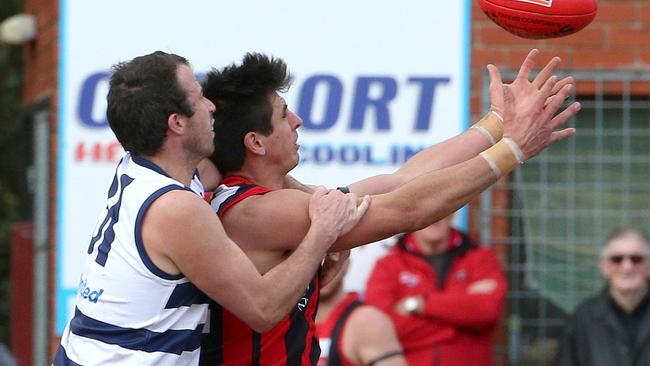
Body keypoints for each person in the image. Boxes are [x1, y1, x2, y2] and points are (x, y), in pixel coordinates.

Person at [198, 49, 580, 364]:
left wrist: (497, 123)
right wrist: (513, 150)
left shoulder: (270, 202)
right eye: (283, 114)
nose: (297, 120)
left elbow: (402, 181)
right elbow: (407, 210)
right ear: (256, 143)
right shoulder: (259, 212)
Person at [52, 51, 370, 366]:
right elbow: (263, 310)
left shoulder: (145, 167)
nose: (211, 106)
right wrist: (321, 235)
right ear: (177, 123)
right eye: (201, 97)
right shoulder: (175, 208)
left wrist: (309, 195)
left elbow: (243, 171)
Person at [364, 214, 507, 366]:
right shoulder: (387, 266)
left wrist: (419, 304)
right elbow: (382, 330)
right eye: (428, 209)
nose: (434, 216)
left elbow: (487, 311)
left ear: (452, 212)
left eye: (442, 208)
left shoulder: (480, 258)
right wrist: (459, 321)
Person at [555, 228, 650, 366]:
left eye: (636, 259)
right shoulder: (583, 319)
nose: (627, 267)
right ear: (604, 267)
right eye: (617, 259)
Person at [315, 260, 407, 366]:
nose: (322, 268)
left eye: (330, 256)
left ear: (347, 263)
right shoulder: (293, 318)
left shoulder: (368, 321)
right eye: (315, 257)